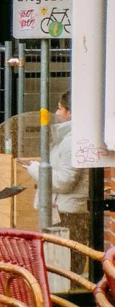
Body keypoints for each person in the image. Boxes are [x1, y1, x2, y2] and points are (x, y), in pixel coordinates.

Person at [23, 91, 88, 273]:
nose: (57, 113)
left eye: (60, 108)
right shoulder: (67, 138)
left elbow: (65, 181)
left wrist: (36, 170)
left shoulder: (71, 141)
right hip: (65, 209)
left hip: (67, 212)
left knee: (67, 267)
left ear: (71, 112)